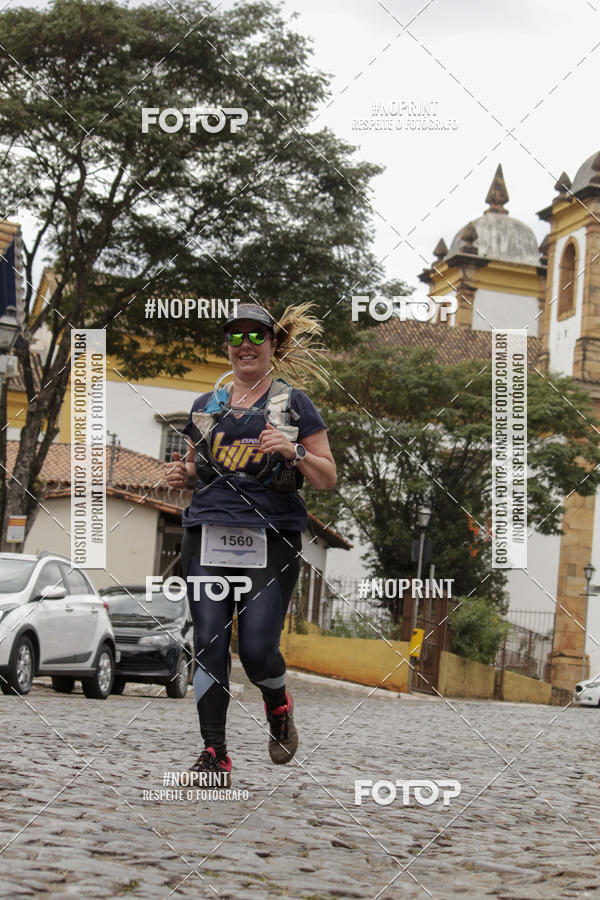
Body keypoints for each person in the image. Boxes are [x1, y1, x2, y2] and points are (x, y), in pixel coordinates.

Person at [164, 302, 336, 785]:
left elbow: (327, 476)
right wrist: (184, 475)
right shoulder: (206, 407)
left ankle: (278, 705)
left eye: (256, 336)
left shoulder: (293, 404)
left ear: (273, 345)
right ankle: (214, 752)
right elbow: (200, 471)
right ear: (227, 346)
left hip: (270, 537)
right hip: (208, 534)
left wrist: (294, 450)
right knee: (209, 643)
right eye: (236, 336)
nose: (246, 344)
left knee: (259, 650)